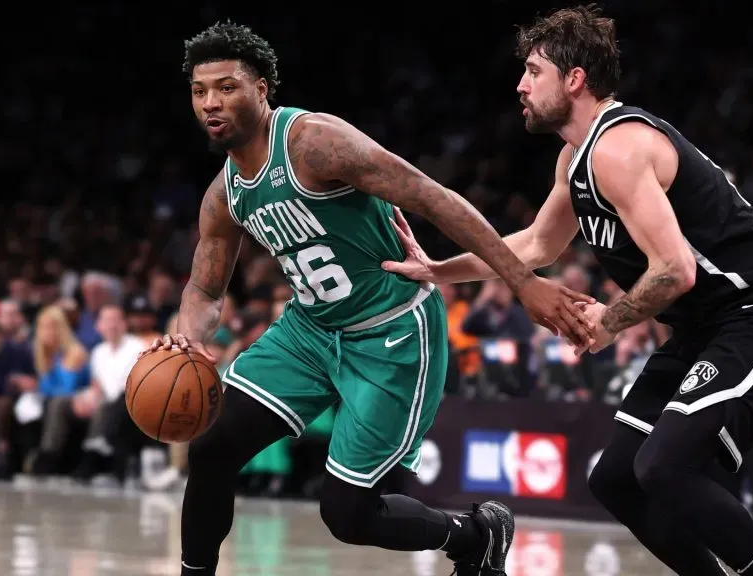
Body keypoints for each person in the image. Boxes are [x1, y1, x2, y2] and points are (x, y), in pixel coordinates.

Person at [382, 6, 753, 576]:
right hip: (705, 326)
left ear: (574, 80)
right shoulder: (576, 158)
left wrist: (607, 321)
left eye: (534, 71)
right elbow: (538, 244)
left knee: (668, 468)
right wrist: (438, 269)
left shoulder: (618, 149)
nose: (520, 84)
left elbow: (675, 270)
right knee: (615, 477)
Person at [145, 21, 597, 576]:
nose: (211, 102)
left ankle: (474, 535)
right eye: (199, 91)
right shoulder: (225, 194)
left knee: (347, 512)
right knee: (211, 449)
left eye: (227, 87)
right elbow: (204, 288)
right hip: (309, 333)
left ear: (262, 90)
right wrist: (188, 340)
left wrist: (522, 281)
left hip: (392, 331)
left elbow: (435, 198)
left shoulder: (314, 143)